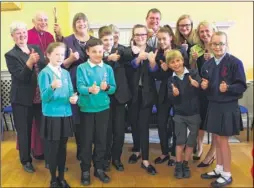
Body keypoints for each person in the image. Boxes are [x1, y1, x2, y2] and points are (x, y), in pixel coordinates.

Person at [200, 31, 247, 187]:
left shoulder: (235, 63)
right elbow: (206, 86)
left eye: (221, 43)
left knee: (224, 141)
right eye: (215, 43)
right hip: (213, 105)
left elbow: (241, 86)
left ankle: (227, 174)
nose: (218, 46)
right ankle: (219, 168)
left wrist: (229, 88)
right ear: (210, 45)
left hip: (228, 106)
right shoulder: (207, 64)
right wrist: (204, 86)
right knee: (217, 139)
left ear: (227, 45)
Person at [5, 21, 45, 173]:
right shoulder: (11, 55)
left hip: (39, 98)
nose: (22, 35)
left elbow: (44, 67)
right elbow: (21, 77)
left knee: (42, 127)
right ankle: (25, 160)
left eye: (23, 32)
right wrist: (29, 63)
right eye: (18, 33)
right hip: (21, 100)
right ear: (13, 36)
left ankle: (39, 153)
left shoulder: (35, 48)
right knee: (24, 131)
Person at [77, 38, 116, 185]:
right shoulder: (82, 68)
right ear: (87, 52)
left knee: (101, 140)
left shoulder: (108, 69)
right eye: (94, 51)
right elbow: (80, 87)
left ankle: (99, 168)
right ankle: (85, 170)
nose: (98, 54)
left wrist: (106, 88)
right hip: (87, 109)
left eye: (100, 51)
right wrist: (89, 90)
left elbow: (113, 88)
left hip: (103, 109)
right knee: (86, 141)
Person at [38, 42, 77, 188]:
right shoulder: (45, 73)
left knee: (63, 148)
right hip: (52, 117)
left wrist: (74, 98)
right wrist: (52, 87)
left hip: (65, 115)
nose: (60, 57)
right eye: (57, 54)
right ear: (48, 55)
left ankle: (62, 178)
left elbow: (71, 92)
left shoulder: (65, 73)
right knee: (53, 149)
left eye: (62, 54)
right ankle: (53, 179)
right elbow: (44, 97)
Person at [26, 11, 62, 161]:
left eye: (45, 20)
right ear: (33, 21)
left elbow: (56, 53)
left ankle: (48, 149)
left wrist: (59, 36)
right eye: (40, 20)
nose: (43, 22)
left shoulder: (49, 36)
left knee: (46, 115)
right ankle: (37, 149)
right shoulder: (27, 34)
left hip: (50, 77)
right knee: (37, 118)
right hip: (35, 80)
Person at [153, 25, 188, 166]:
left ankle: (175, 154)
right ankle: (164, 152)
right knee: (161, 123)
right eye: (159, 39)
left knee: (177, 124)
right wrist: (162, 69)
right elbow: (157, 75)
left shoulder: (180, 50)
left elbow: (186, 70)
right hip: (163, 93)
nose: (161, 41)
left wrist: (171, 65)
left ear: (170, 38)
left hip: (179, 92)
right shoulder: (158, 54)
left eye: (164, 39)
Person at [63, 12, 96, 161]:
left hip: (92, 83)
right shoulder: (67, 40)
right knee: (78, 118)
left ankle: (91, 149)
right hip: (74, 82)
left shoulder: (95, 40)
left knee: (90, 116)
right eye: (78, 21)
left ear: (87, 23)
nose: (81, 24)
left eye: (83, 21)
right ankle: (81, 149)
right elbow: (61, 65)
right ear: (74, 24)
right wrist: (70, 59)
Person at [98, 26, 131, 172]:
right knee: (106, 131)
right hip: (104, 99)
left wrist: (114, 54)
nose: (108, 42)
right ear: (100, 40)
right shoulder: (97, 55)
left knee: (119, 131)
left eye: (111, 39)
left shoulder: (121, 52)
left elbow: (129, 53)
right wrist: (106, 57)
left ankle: (116, 158)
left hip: (119, 98)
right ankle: (105, 158)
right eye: (105, 40)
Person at [127, 24, 158, 175]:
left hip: (147, 95)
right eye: (137, 34)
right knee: (134, 123)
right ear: (133, 36)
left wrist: (152, 63)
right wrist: (138, 59)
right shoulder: (128, 51)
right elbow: (129, 68)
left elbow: (155, 73)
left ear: (147, 36)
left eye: (143, 35)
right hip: (132, 94)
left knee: (143, 125)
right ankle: (137, 149)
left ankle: (145, 159)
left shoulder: (153, 51)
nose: (140, 37)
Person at [167, 50, 201, 179]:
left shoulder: (193, 73)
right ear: (169, 65)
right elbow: (171, 98)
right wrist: (174, 95)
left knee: (191, 141)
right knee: (180, 141)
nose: (176, 64)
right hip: (179, 115)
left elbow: (201, 90)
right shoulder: (171, 80)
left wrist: (196, 85)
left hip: (194, 114)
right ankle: (179, 164)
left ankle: (186, 164)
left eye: (177, 60)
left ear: (182, 60)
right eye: (172, 62)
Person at [189, 21, 217, 167]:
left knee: (214, 123)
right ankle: (199, 147)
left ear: (213, 31)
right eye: (201, 32)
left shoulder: (218, 47)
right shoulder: (196, 48)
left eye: (207, 31)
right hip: (200, 90)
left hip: (215, 91)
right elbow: (192, 70)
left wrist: (212, 58)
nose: (205, 34)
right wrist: (193, 59)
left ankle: (213, 152)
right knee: (200, 120)